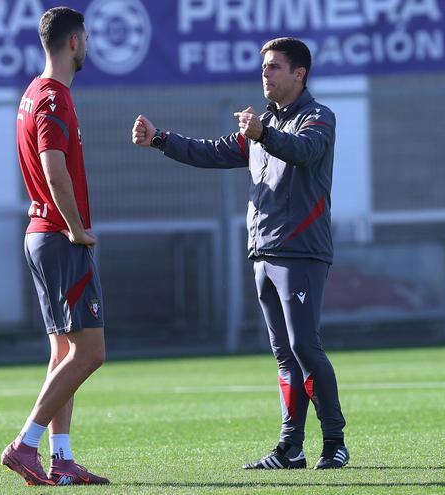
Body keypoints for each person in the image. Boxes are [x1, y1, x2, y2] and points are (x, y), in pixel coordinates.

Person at [132, 37, 349, 470]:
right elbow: (210, 152)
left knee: (305, 346)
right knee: (284, 354)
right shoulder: (263, 123)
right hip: (263, 253)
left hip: (302, 252)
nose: (264, 74)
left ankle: (335, 442)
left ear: (299, 73)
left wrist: (263, 133)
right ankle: (291, 448)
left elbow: (304, 152)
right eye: (263, 67)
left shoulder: (318, 118)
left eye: (274, 67)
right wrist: (160, 139)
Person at [0, 6, 109, 486]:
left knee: (63, 351)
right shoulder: (53, 99)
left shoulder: (32, 93)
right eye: (85, 38)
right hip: (58, 237)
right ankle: (25, 445)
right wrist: (77, 227)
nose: (88, 46)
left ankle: (61, 459)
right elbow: (53, 168)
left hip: (41, 236)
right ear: (73, 42)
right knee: (90, 353)